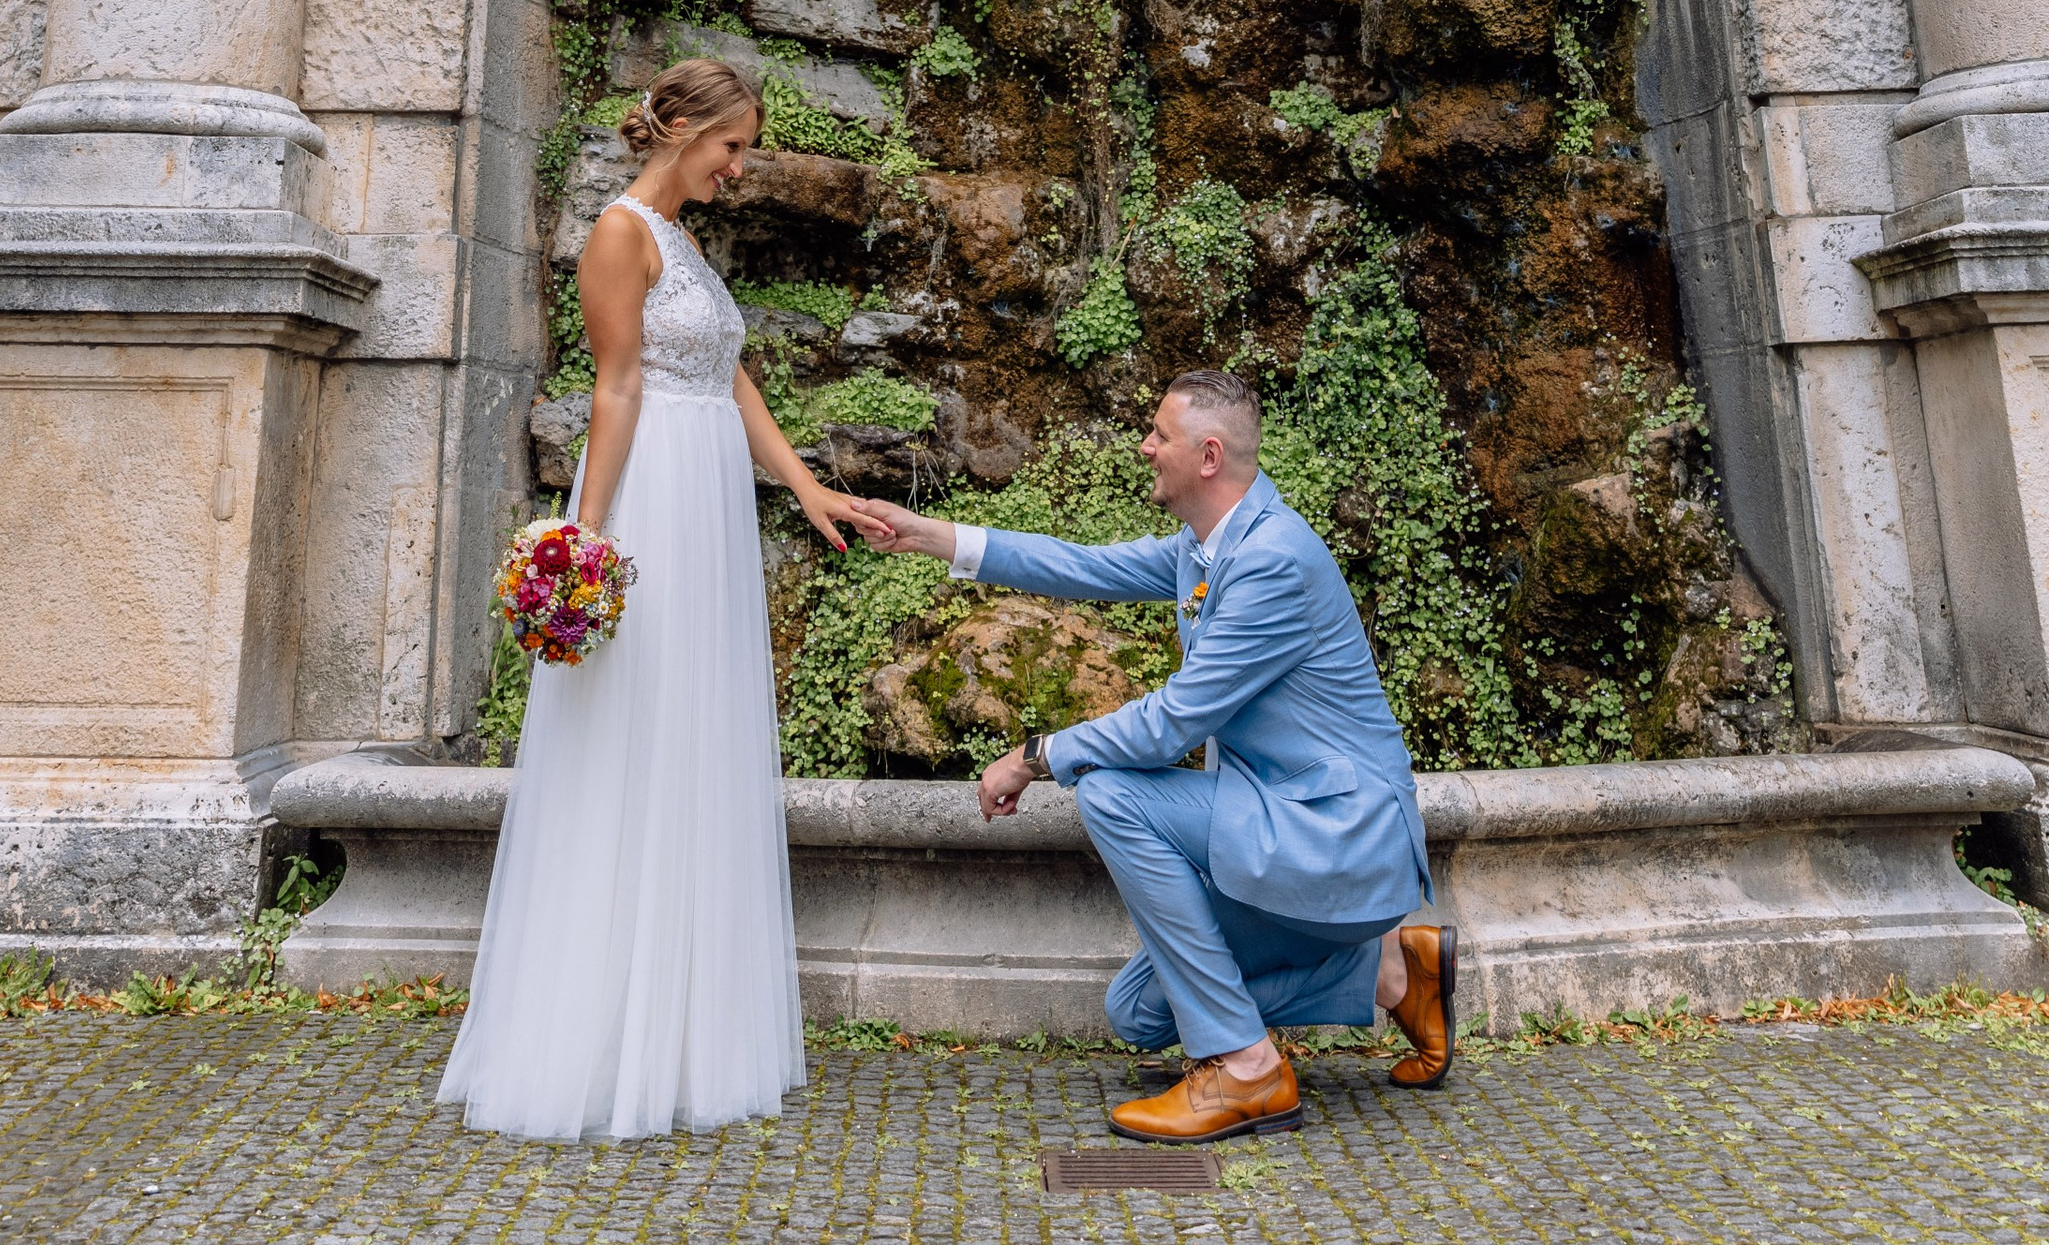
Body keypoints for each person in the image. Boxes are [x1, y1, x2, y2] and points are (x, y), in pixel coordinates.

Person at [438, 59, 874, 1141]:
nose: (740, 166)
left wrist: (806, 483)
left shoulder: (684, 241)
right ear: (678, 126)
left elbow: (728, 373)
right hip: (654, 499)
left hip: (711, 488)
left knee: (696, 737)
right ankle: (601, 1033)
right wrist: (585, 536)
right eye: (731, 146)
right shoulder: (620, 232)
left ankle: (686, 1027)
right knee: (637, 736)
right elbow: (618, 384)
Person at [854, 369, 1454, 1137]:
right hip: (1288, 826)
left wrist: (1036, 755)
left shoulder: (1273, 562)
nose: (1144, 446)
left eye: (1158, 435)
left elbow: (1173, 723)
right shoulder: (1204, 548)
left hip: (1341, 837)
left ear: (1207, 456)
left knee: (1111, 791)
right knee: (1138, 1012)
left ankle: (1246, 1070)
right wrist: (926, 534)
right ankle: (1396, 973)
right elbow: (1079, 565)